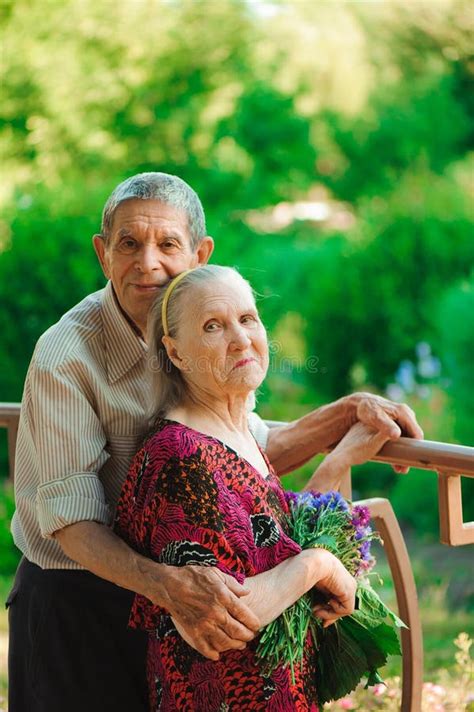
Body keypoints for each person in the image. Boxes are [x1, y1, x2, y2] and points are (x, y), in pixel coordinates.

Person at [8, 172, 423, 712]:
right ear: (102, 253)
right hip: (77, 603)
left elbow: (240, 454)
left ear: (200, 252)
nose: (148, 263)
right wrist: (171, 588)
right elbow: (73, 524)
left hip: (169, 610)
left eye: (168, 244)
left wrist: (347, 413)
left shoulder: (199, 325)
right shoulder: (67, 354)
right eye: (128, 244)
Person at [114, 265, 393, 711]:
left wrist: (339, 458)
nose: (241, 339)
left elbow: (276, 545)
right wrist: (318, 565)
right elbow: (231, 616)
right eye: (212, 326)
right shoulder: (180, 455)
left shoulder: (234, 433)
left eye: (247, 319)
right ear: (177, 353)